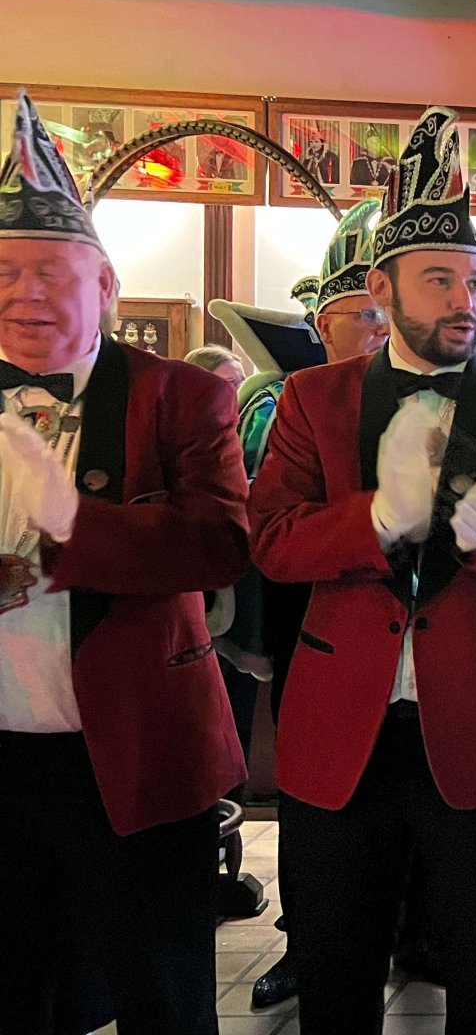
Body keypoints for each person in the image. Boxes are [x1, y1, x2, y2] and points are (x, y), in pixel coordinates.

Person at [249, 105, 476, 1035]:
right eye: (439, 279)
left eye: (473, 281)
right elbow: (272, 541)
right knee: (337, 976)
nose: (463, 301)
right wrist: (375, 518)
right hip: (343, 729)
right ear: (383, 287)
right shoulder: (312, 399)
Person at [0, 90, 250, 1035]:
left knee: (161, 997)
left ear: (104, 285)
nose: (26, 293)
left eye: (50, 271)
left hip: (138, 751)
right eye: (5, 270)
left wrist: (74, 522)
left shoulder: (180, 396)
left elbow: (222, 543)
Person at [211, 197, 400, 1010]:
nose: (380, 328)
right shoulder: (279, 402)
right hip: (311, 620)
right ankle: (309, 939)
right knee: (320, 792)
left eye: (388, 312)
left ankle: (416, 929)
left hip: (414, 631)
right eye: (364, 314)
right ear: (323, 325)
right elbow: (272, 522)